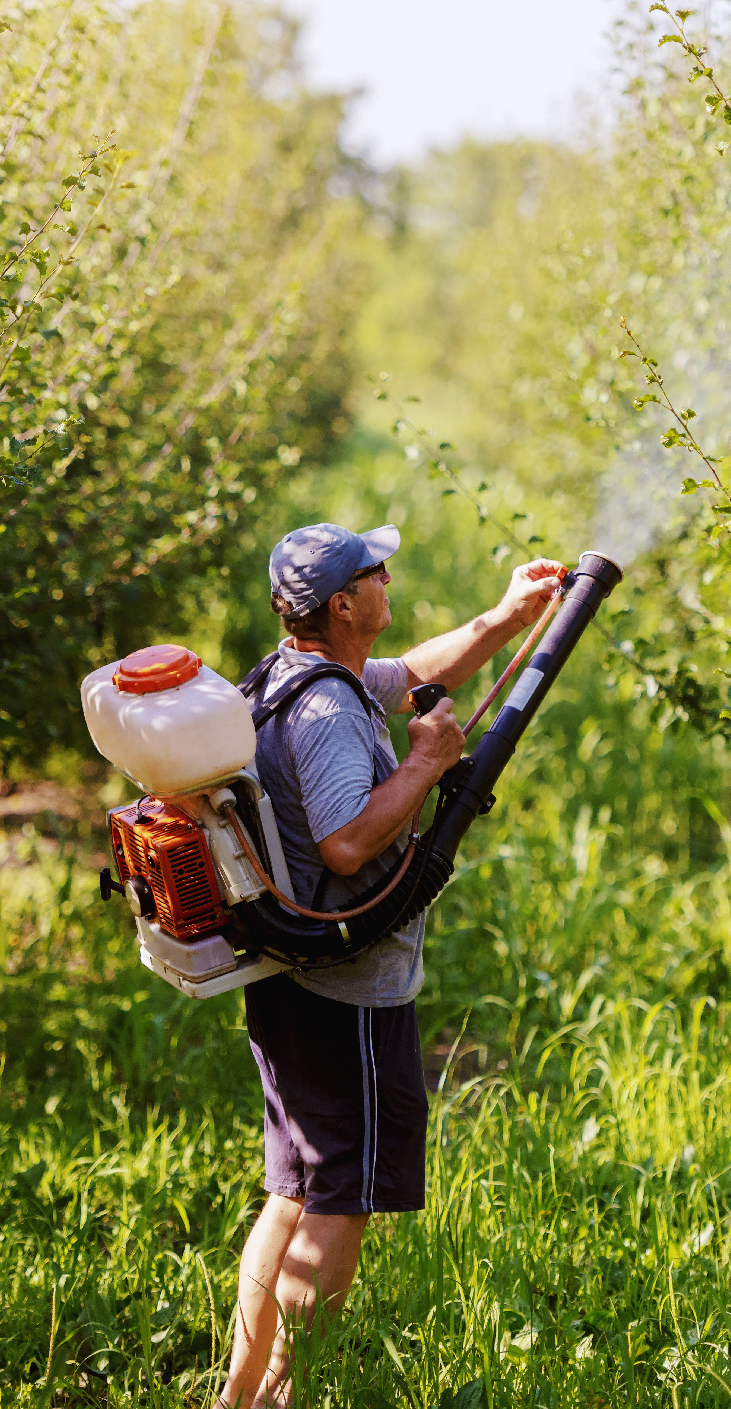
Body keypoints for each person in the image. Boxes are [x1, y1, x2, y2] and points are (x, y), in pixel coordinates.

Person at [216, 520, 564, 1409]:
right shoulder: (331, 710)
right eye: (374, 570)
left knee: (293, 1191)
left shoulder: (295, 671)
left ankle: (237, 1396)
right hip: (347, 995)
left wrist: (505, 615)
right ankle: (282, 1400)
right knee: (340, 1200)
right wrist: (425, 763)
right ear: (342, 602)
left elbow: (409, 671)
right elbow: (344, 844)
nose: (385, 576)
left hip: (287, 980)